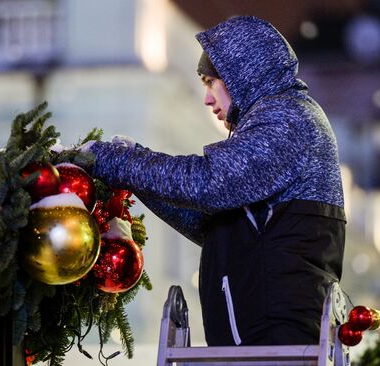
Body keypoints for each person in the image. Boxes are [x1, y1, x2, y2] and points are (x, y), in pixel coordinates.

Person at [80, 15, 346, 346]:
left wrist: (114, 160)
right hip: (265, 339)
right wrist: (134, 170)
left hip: (275, 343)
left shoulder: (286, 121)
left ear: (240, 75)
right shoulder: (284, 118)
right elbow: (209, 223)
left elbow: (207, 184)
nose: (207, 100)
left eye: (210, 83)